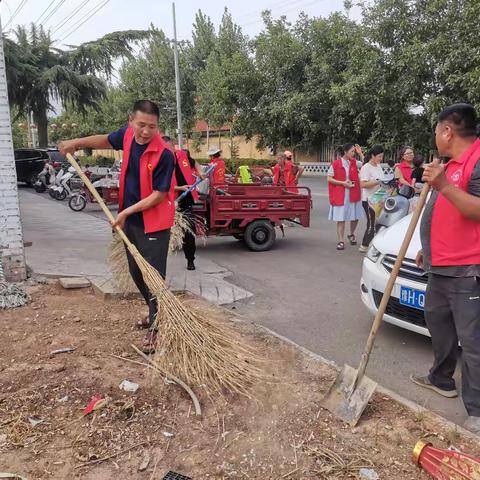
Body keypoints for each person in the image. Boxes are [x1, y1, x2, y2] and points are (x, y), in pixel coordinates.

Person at [58, 100, 175, 355]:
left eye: (152, 127)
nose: (145, 131)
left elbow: (159, 195)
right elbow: (104, 140)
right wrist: (76, 143)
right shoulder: (126, 136)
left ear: (158, 127)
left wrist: (125, 212)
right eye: (141, 125)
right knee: (136, 272)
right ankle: (156, 314)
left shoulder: (164, 154)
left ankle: (157, 328)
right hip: (130, 220)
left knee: (153, 278)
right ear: (131, 121)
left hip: (153, 223)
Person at [411, 103, 480, 434]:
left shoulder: (477, 160)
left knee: (473, 342)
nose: (436, 137)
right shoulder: (451, 164)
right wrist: (429, 247)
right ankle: (441, 378)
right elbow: (445, 213)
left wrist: (444, 186)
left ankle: (477, 412)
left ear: (447, 131)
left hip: (468, 269)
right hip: (440, 265)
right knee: (437, 323)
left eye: (436, 131)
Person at [164, 136, 203, 271]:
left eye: (169, 147)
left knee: (189, 231)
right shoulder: (161, 161)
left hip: (186, 202)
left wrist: (201, 172)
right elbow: (160, 186)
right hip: (170, 201)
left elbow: (195, 163)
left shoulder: (182, 155)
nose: (168, 151)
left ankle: (190, 260)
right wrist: (179, 188)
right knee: (165, 233)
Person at [327, 143, 363, 250]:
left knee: (355, 216)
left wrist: (361, 153)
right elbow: (329, 178)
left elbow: (367, 165)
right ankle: (341, 240)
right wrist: (343, 183)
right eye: (352, 151)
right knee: (341, 218)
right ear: (346, 152)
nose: (353, 153)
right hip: (341, 194)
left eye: (354, 151)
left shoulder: (354, 163)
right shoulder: (336, 164)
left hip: (353, 192)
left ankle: (351, 234)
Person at [359, 145, 385, 252]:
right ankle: (364, 245)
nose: (381, 159)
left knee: (378, 222)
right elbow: (363, 184)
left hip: (378, 199)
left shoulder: (378, 167)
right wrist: (378, 181)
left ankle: (372, 244)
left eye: (382, 156)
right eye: (379, 156)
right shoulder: (366, 167)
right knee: (371, 223)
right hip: (369, 200)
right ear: (373, 156)